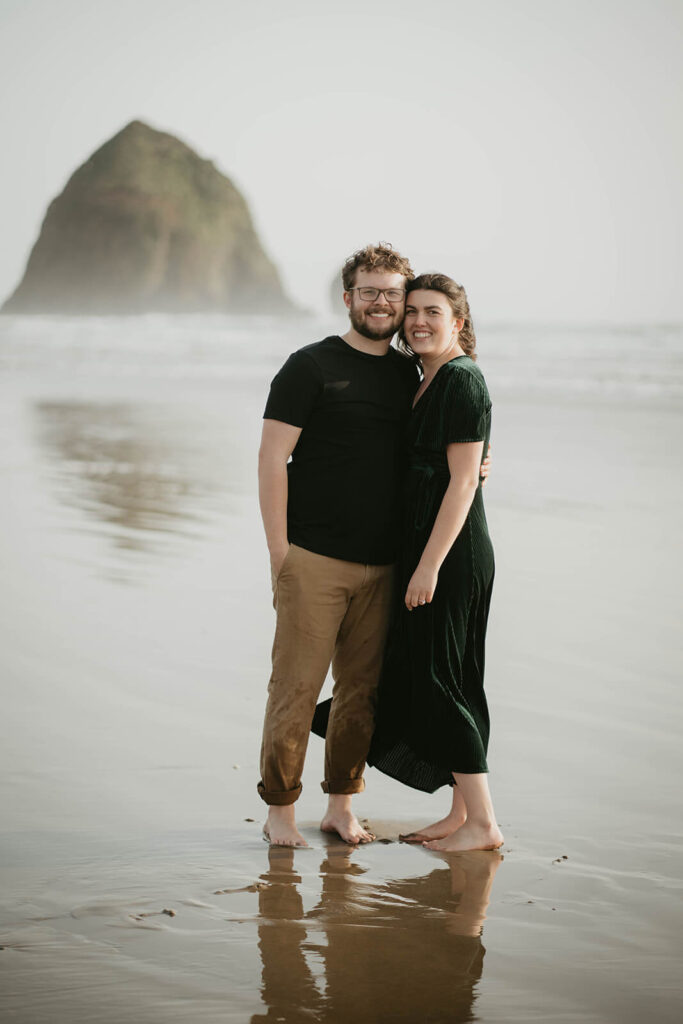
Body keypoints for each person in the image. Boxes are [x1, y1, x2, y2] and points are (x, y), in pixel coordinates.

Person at [257, 244, 490, 848]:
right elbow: (271, 458)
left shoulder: (411, 373)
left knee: (360, 696)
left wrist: (477, 468)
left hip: (387, 565)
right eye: (371, 291)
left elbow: (443, 451)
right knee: (295, 690)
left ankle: (341, 808)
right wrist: (280, 551)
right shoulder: (308, 366)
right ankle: (280, 812)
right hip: (313, 558)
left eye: (395, 294)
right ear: (348, 298)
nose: (385, 304)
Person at [367, 273, 504, 853]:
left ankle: (484, 824)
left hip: (450, 554)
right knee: (456, 676)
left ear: (459, 322)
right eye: (413, 310)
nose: (419, 320)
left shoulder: (461, 380)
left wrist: (429, 567)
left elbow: (461, 485)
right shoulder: (423, 380)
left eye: (433, 311)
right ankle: (460, 812)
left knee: (440, 678)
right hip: (430, 549)